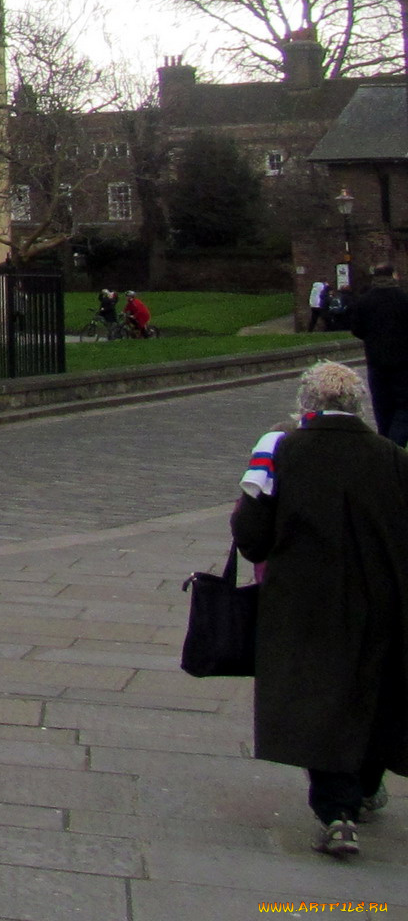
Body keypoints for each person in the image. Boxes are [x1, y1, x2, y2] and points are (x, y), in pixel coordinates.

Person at [234, 360, 408, 859]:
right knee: (369, 693)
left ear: (306, 406)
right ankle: (363, 787)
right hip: (381, 602)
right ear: (358, 406)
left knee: (319, 700)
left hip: (305, 605)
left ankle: (336, 810)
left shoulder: (283, 453)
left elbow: (252, 538)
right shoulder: (394, 459)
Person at [347, 267, 408, 445]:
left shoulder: (365, 301)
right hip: (403, 362)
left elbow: (357, 329)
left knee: (382, 407)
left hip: (376, 361)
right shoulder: (403, 299)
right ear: (394, 276)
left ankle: (385, 443)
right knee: (405, 406)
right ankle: (394, 444)